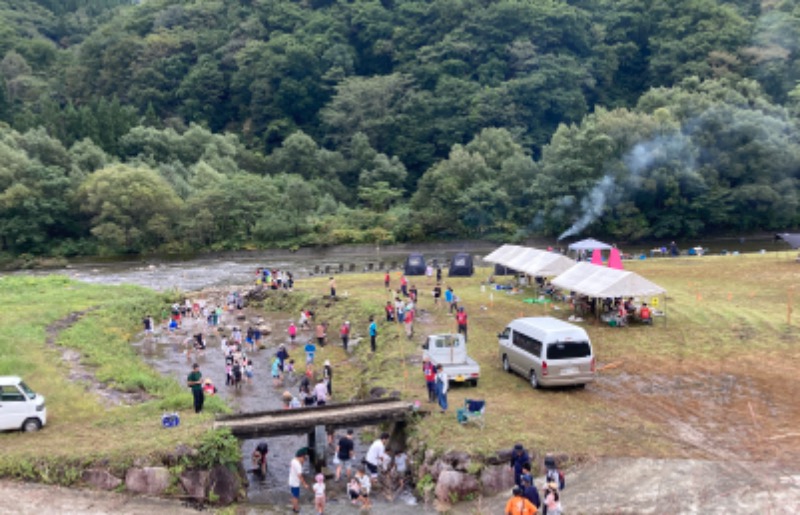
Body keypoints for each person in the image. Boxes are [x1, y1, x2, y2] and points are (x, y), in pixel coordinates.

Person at [288, 448, 310, 514]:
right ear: (301, 457)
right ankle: (296, 509)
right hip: (295, 483)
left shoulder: (293, 460)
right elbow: (300, 476)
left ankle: (293, 507)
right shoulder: (298, 465)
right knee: (296, 496)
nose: (304, 461)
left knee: (293, 495)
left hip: (291, 480)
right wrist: (305, 484)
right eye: (304, 459)